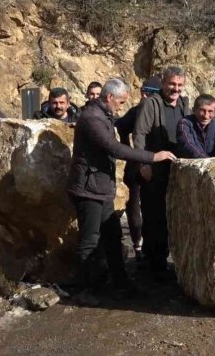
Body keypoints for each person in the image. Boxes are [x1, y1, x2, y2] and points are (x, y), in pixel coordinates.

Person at [66, 78, 175, 295]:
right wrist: (152, 156)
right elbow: (113, 148)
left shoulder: (102, 115)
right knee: (90, 241)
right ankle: (85, 291)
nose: (121, 106)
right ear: (109, 97)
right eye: (121, 102)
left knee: (113, 237)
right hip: (88, 190)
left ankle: (121, 284)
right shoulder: (92, 119)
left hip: (100, 188)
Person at [133, 66, 190, 280]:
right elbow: (139, 134)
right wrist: (143, 163)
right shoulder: (151, 104)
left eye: (179, 85)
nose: (175, 89)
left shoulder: (184, 104)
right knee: (153, 216)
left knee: (172, 215)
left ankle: (168, 261)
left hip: (176, 169)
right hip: (153, 168)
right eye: (171, 84)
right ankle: (153, 265)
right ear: (163, 84)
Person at [113, 75, 161, 263]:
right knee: (134, 204)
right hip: (137, 165)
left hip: (156, 164)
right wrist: (128, 151)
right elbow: (120, 128)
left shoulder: (159, 109)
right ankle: (139, 245)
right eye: (143, 91)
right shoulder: (138, 110)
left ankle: (148, 246)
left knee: (152, 207)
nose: (144, 95)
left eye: (149, 92)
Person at [177, 94, 215, 158]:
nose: (206, 116)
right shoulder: (185, 123)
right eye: (202, 110)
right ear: (194, 110)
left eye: (210, 111)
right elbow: (187, 145)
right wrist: (207, 161)